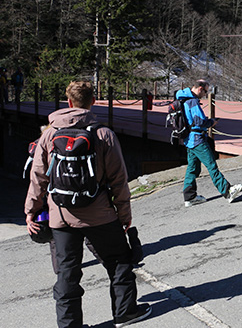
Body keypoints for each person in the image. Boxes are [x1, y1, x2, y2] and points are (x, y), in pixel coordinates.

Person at [24, 80, 151, 327]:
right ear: (93, 102)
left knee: (67, 272)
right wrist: (124, 215)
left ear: (69, 102)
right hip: (100, 214)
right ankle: (125, 313)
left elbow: (38, 177)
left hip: (61, 215)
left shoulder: (49, 134)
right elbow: (119, 180)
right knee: (118, 261)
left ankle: (70, 324)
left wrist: (31, 211)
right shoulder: (104, 134)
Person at [176, 79, 242, 207]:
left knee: (192, 169)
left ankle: (189, 197)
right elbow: (200, 121)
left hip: (189, 140)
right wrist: (211, 122)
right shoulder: (193, 101)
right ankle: (227, 191)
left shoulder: (183, 99)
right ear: (200, 89)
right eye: (205, 92)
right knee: (211, 165)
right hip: (198, 140)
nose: (205, 95)